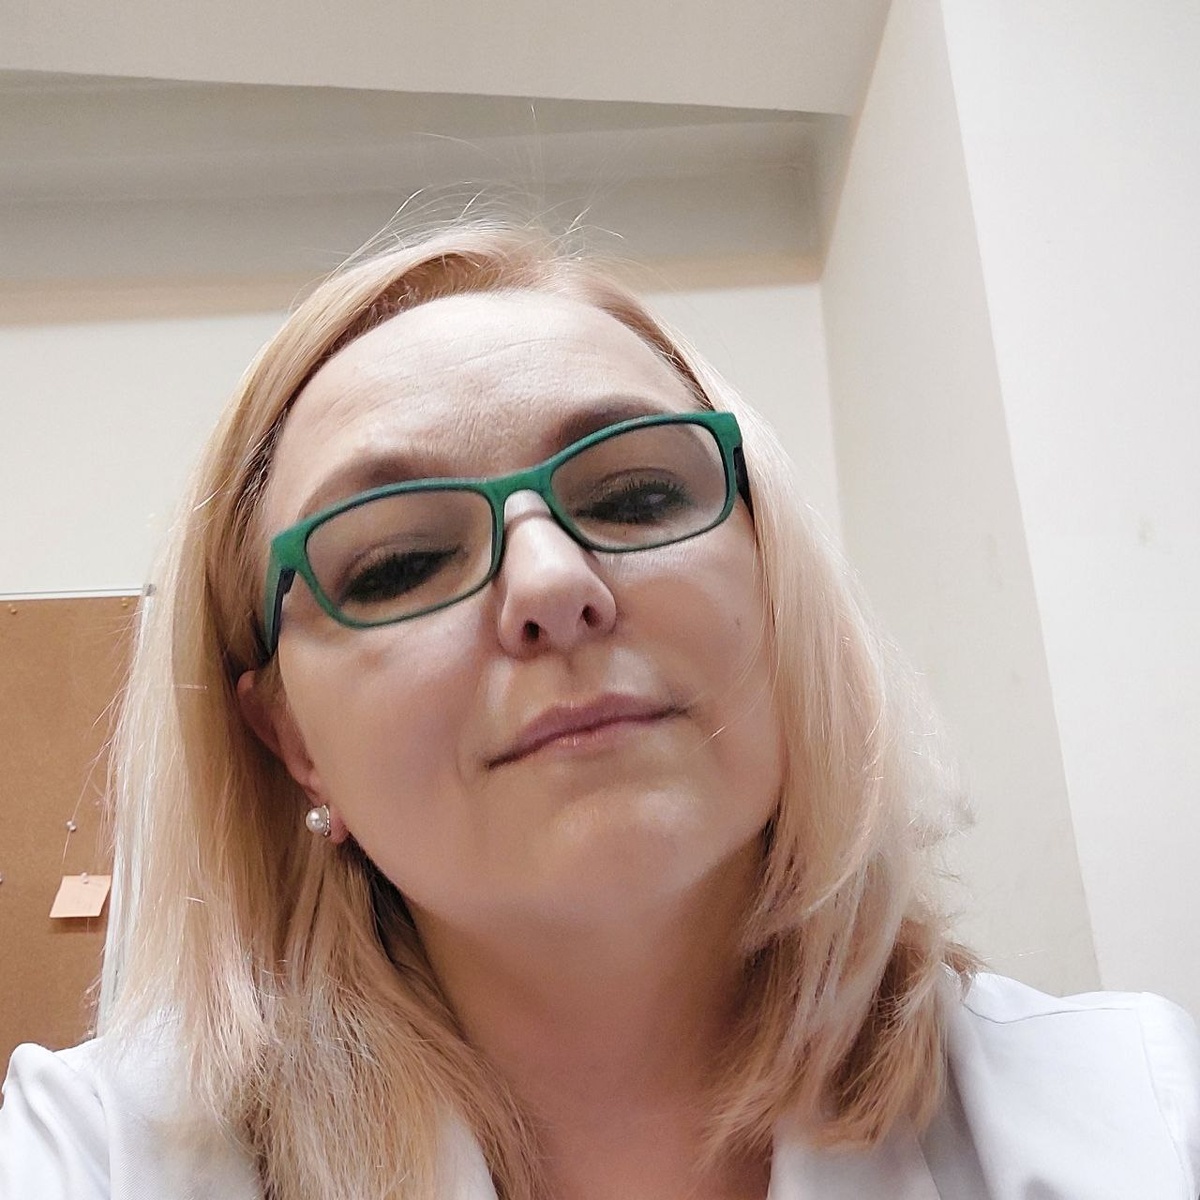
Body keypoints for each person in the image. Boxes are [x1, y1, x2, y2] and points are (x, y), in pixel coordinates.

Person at [1, 223, 1197, 1199]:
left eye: (635, 495)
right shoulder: (89, 1157)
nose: (551, 585)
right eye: (398, 563)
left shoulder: (1143, 1113)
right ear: (294, 743)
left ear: (774, 585)